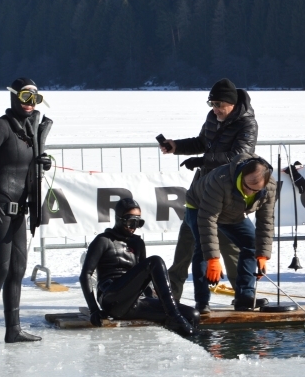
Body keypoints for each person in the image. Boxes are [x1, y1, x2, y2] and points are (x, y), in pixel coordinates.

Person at [160, 78, 258, 302]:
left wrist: (203, 161)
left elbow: (239, 156)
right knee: (187, 244)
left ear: (231, 104)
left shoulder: (247, 124)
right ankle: (171, 295)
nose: (215, 110)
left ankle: (244, 295)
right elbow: (202, 142)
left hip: (226, 194)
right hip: (200, 192)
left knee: (228, 246)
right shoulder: (212, 118)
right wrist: (177, 147)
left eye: (219, 106)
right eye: (211, 105)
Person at [0, 78, 53, 348]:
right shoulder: (2, 126)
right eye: (25, 97)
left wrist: (42, 163)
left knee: (18, 269)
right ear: (13, 97)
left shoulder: (31, 132)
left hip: (20, 209)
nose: (30, 104)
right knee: (1, 268)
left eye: (35, 98)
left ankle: (14, 330)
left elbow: (28, 170)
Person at [78, 198, 198, 337]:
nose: (134, 226)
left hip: (133, 302)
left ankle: (187, 334)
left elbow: (144, 279)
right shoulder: (103, 240)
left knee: (192, 314)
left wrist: (152, 298)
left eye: (138, 222)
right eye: (130, 221)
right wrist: (93, 309)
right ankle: (174, 316)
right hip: (112, 299)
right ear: (119, 218)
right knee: (155, 261)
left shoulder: (137, 243)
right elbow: (85, 275)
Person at [185, 153, 275, 313]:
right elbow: (208, 219)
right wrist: (213, 259)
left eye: (255, 190)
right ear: (242, 175)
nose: (249, 192)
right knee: (203, 248)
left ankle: (244, 297)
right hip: (200, 207)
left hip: (233, 211)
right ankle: (202, 301)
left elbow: (266, 221)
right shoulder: (220, 179)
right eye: (246, 186)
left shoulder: (270, 188)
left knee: (252, 244)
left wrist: (262, 254)